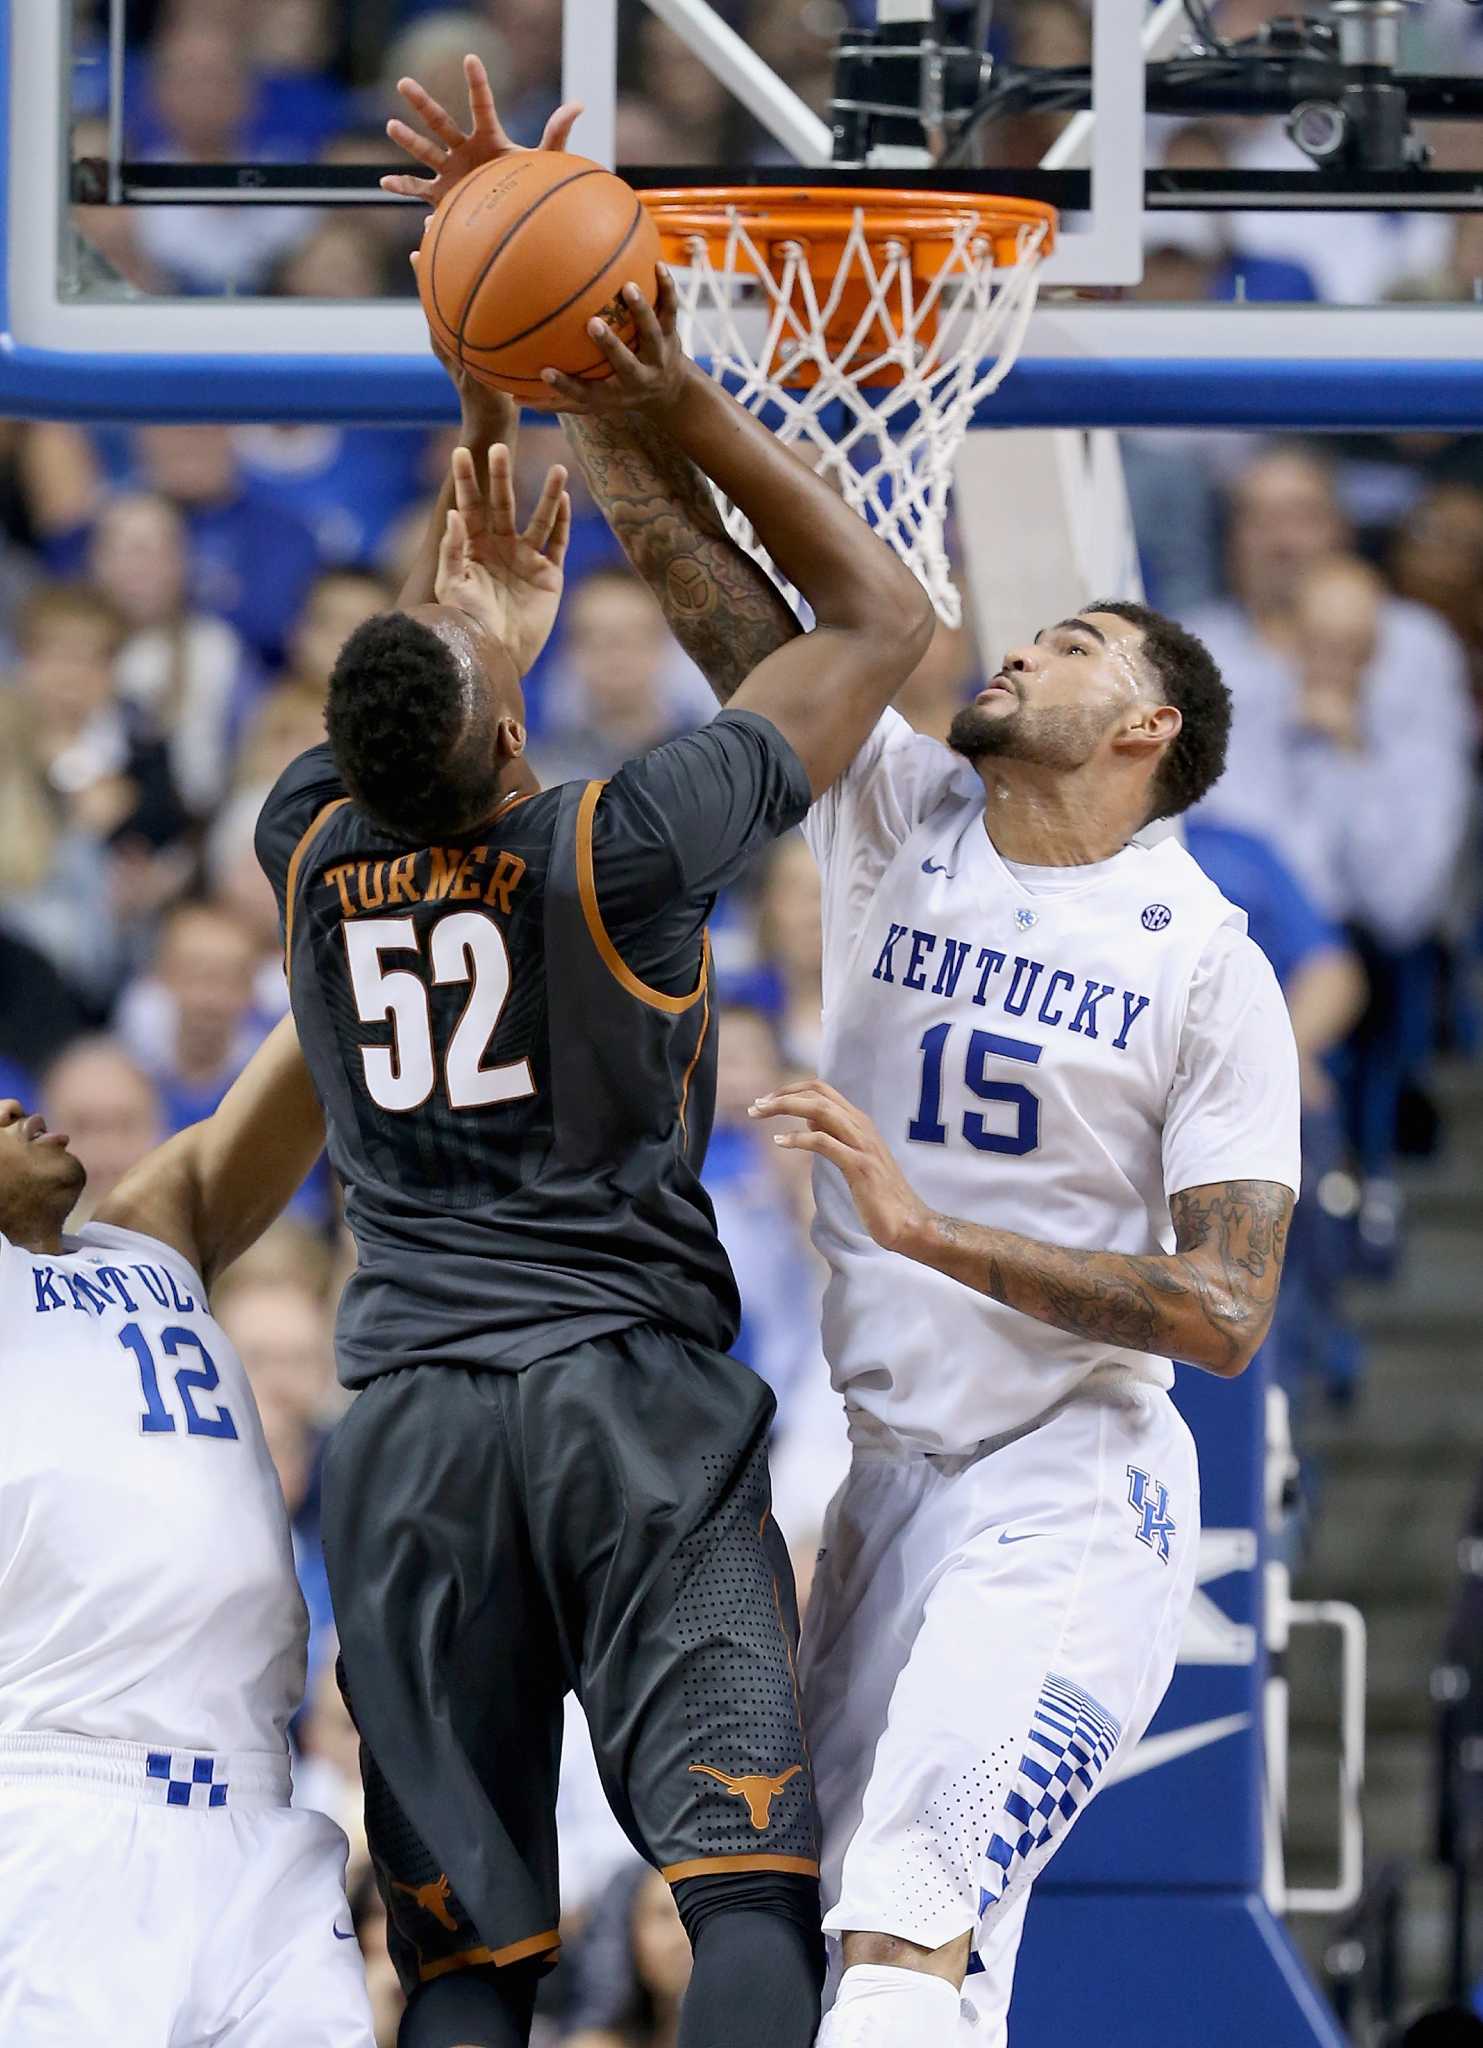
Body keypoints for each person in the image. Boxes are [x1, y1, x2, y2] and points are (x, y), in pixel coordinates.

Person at [256, 57, 932, 2048]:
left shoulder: (302, 849)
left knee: (469, 1964)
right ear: (507, 725)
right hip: (622, 1412)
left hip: (405, 1440)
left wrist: (482, 381)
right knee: (739, 1909)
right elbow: (881, 616)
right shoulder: (614, 853)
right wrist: (649, 392)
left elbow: (395, 696)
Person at [564, 306, 1301, 2048]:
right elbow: (730, 606)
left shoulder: (1204, 960)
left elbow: (1222, 1313)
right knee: (846, 1950)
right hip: (886, 1484)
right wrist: (589, 392)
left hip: (1069, 1502)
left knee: (904, 1922)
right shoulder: (894, 814)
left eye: (1066, 646)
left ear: (1146, 732)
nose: (1017, 653)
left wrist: (920, 1225)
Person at [0, 1017, 374, 2045]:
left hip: (257, 1802)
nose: (8, 1105)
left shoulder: (149, 1232)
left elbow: (300, 1069)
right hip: (65, 1803)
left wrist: (349, 892)